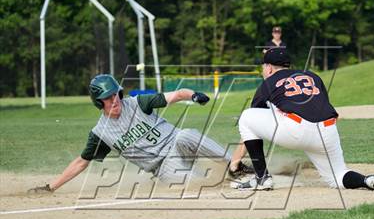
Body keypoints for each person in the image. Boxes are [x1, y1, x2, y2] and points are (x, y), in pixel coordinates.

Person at [28, 74, 253, 193]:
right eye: (108, 98)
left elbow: (176, 95)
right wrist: (51, 187)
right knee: (196, 184)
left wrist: (194, 95)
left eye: (116, 94)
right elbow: (81, 162)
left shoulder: (137, 103)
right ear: (98, 102)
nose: (114, 100)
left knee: (186, 134)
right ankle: (224, 181)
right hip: (163, 167)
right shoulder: (100, 133)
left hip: (176, 144)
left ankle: (235, 166)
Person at [232, 48, 374, 191]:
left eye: (263, 66)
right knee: (338, 177)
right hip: (328, 131)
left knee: (246, 116)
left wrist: (235, 162)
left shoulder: (268, 83)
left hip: (296, 130)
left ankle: (262, 178)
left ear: (268, 68)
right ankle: (368, 180)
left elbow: (252, 129)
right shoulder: (312, 76)